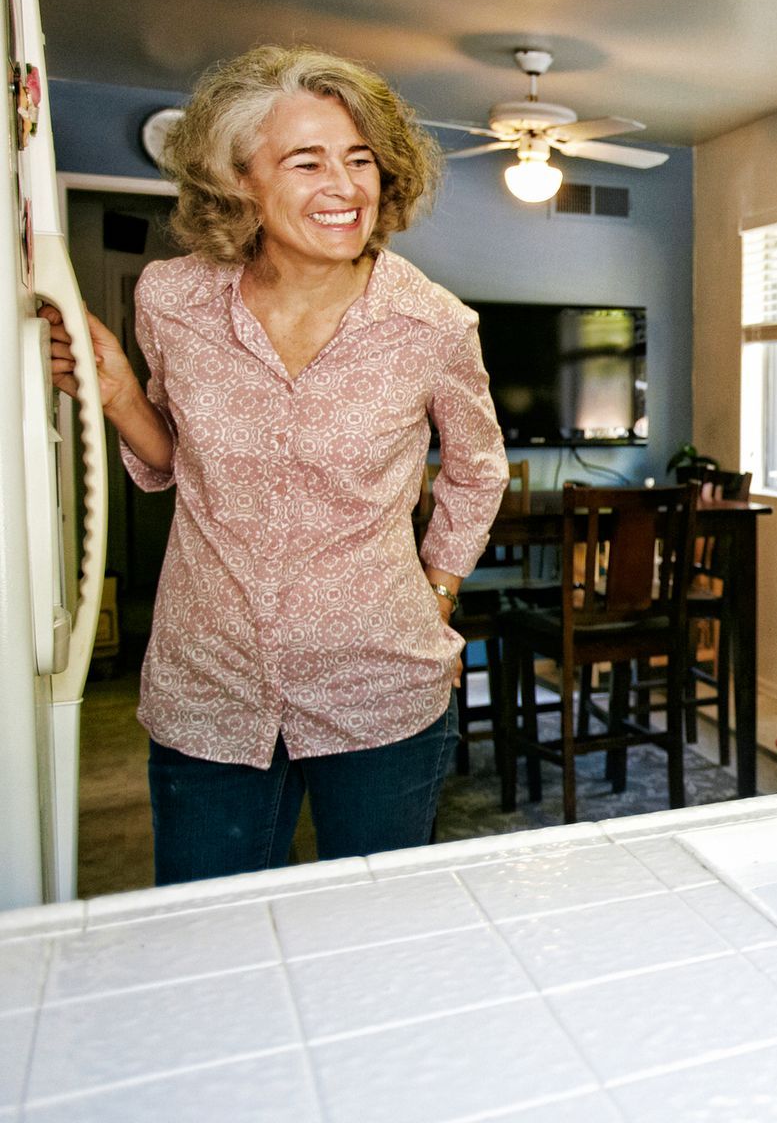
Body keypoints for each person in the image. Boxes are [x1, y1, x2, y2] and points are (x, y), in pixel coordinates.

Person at [43, 45, 508, 883]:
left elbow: (478, 470)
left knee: (368, 940)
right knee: (207, 933)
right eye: (308, 161)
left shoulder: (432, 324)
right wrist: (116, 394)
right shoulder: (171, 300)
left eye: (361, 159)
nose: (346, 186)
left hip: (379, 690)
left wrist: (437, 588)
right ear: (240, 179)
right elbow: (176, 465)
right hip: (208, 685)